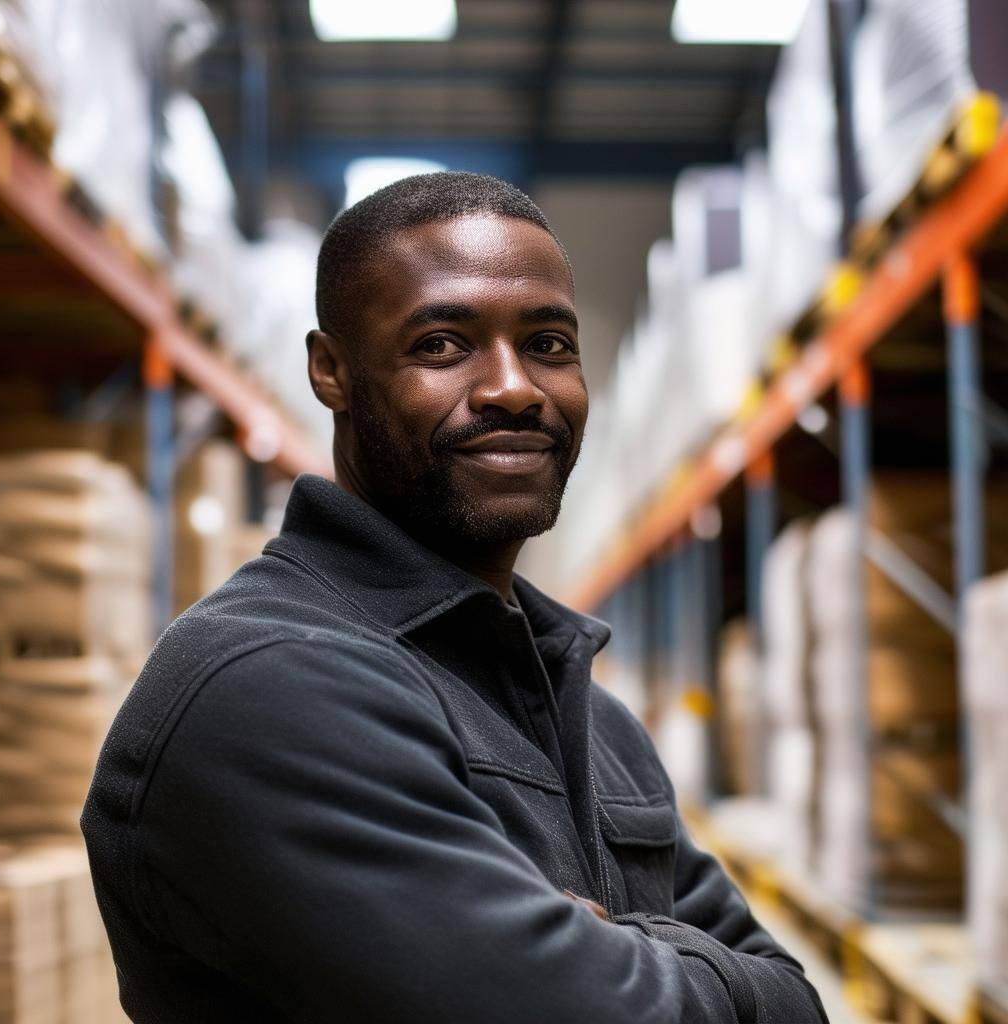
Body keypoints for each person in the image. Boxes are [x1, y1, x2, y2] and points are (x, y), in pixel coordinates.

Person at [81, 172, 828, 1023]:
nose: (514, 387)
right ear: (332, 372)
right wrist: (655, 955)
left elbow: (798, 1000)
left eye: (549, 344)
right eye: (442, 344)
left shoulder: (593, 718)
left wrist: (631, 953)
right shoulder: (268, 689)